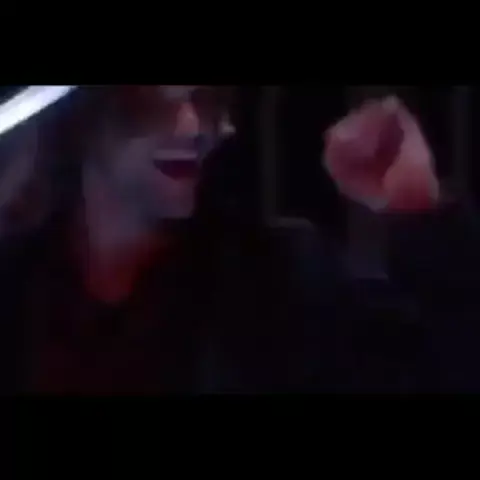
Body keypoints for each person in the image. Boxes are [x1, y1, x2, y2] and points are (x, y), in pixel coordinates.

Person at [0, 86, 472, 394]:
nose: (192, 129)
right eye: (151, 103)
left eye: (205, 97)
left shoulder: (280, 281)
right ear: (81, 115)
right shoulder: (17, 285)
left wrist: (417, 213)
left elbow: (450, 370)